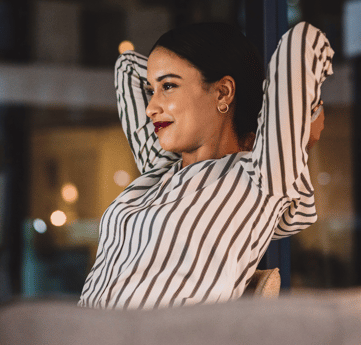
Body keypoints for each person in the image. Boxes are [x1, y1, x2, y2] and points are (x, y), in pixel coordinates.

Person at [78, 21, 334, 309]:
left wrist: (303, 117)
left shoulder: (258, 177)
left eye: (169, 86)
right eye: (152, 90)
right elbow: (126, 67)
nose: (151, 107)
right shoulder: (160, 169)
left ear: (223, 92)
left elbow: (301, 42)